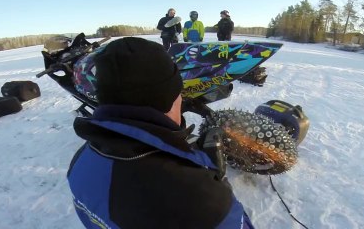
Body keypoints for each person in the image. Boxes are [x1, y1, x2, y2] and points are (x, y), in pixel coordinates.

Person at [67, 37, 255, 229]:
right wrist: (218, 182)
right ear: (168, 99)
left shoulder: (79, 161)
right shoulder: (199, 200)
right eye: (178, 93)